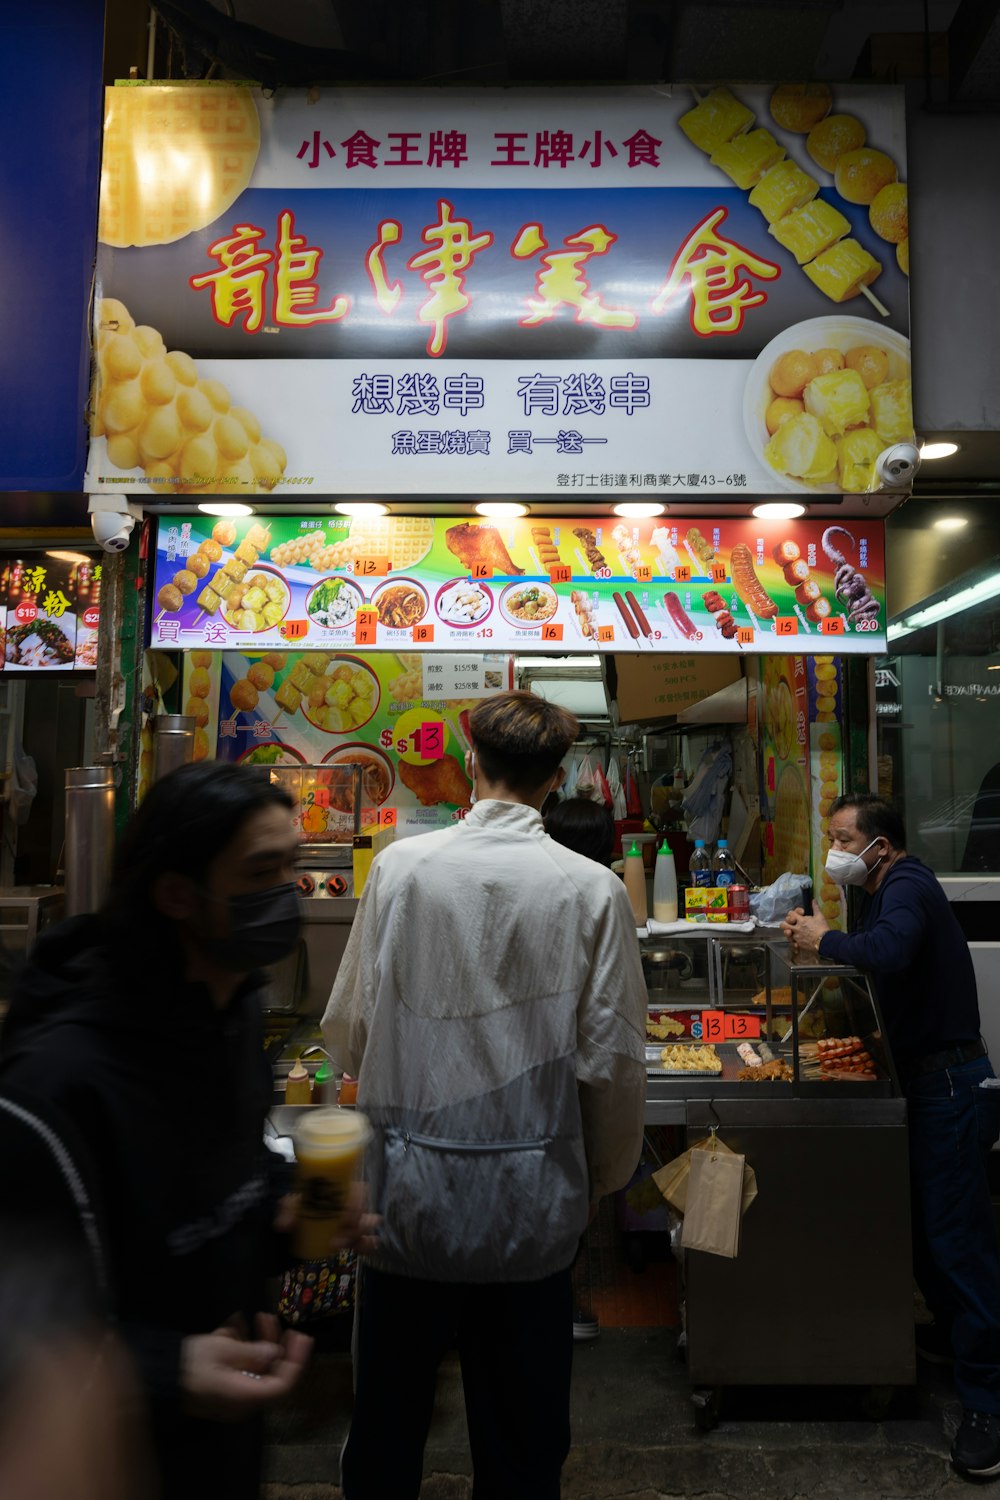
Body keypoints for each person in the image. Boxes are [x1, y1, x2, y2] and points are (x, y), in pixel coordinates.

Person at [324, 690, 647, 1499]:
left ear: (471, 761)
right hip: (532, 1209)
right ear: (558, 777)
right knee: (522, 1445)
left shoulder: (402, 867)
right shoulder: (592, 890)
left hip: (408, 1202)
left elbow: (350, 1028)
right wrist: (598, 1181)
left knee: (388, 1430)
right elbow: (610, 1061)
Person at [0, 762, 314, 1500]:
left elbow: (225, 1171)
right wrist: (164, 1367)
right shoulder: (55, 1081)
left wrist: (288, 1205)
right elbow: (23, 1332)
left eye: (293, 865)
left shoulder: (232, 1005)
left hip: (224, 1435)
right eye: (262, 871)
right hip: (103, 1459)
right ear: (176, 893)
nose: (288, 893)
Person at [782, 793, 1000, 1481]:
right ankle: (954, 1335)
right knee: (921, 1230)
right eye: (833, 836)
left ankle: (988, 1402)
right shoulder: (872, 890)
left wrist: (826, 941)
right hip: (918, 1084)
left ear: (882, 844)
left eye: (846, 838)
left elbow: (890, 951)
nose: (836, 849)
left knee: (957, 1241)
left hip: (951, 1088)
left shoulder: (907, 883)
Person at [543, 795, 616, 1342]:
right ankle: (560, 1307)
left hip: (531, 1069)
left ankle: (555, 1305)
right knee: (570, 1192)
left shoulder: (540, 886)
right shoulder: (601, 892)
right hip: (570, 1070)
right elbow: (610, 1013)